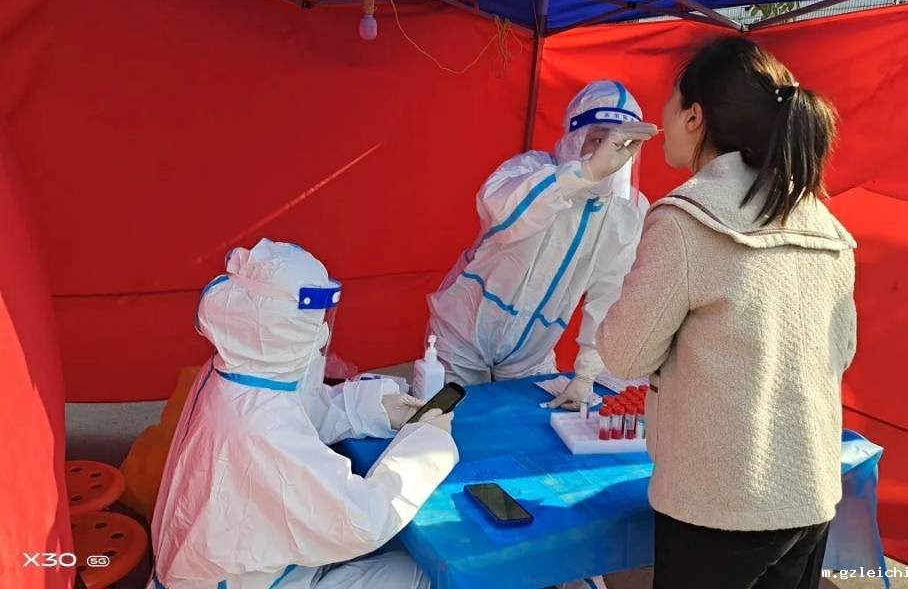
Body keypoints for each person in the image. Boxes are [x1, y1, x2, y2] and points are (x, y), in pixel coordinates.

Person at [597, 37, 857, 589]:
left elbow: (623, 354)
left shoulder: (687, 219)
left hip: (720, 504)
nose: (662, 117)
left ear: (695, 117)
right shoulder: (824, 223)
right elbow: (844, 349)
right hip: (810, 489)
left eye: (670, 102)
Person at [151, 239, 459, 589]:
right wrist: (428, 444)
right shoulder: (262, 428)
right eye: (311, 322)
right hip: (242, 581)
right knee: (421, 574)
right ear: (280, 330)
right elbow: (362, 521)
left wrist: (374, 408)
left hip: (227, 565)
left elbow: (298, 410)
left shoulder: (235, 370)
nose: (323, 333)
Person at [427, 80, 658, 409]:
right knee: (444, 424)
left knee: (526, 430)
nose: (609, 156)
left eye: (622, 146)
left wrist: (586, 374)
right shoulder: (531, 170)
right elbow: (504, 217)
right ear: (575, 136)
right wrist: (584, 173)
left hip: (531, 356)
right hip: (463, 336)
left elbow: (610, 297)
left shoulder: (628, 211)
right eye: (598, 140)